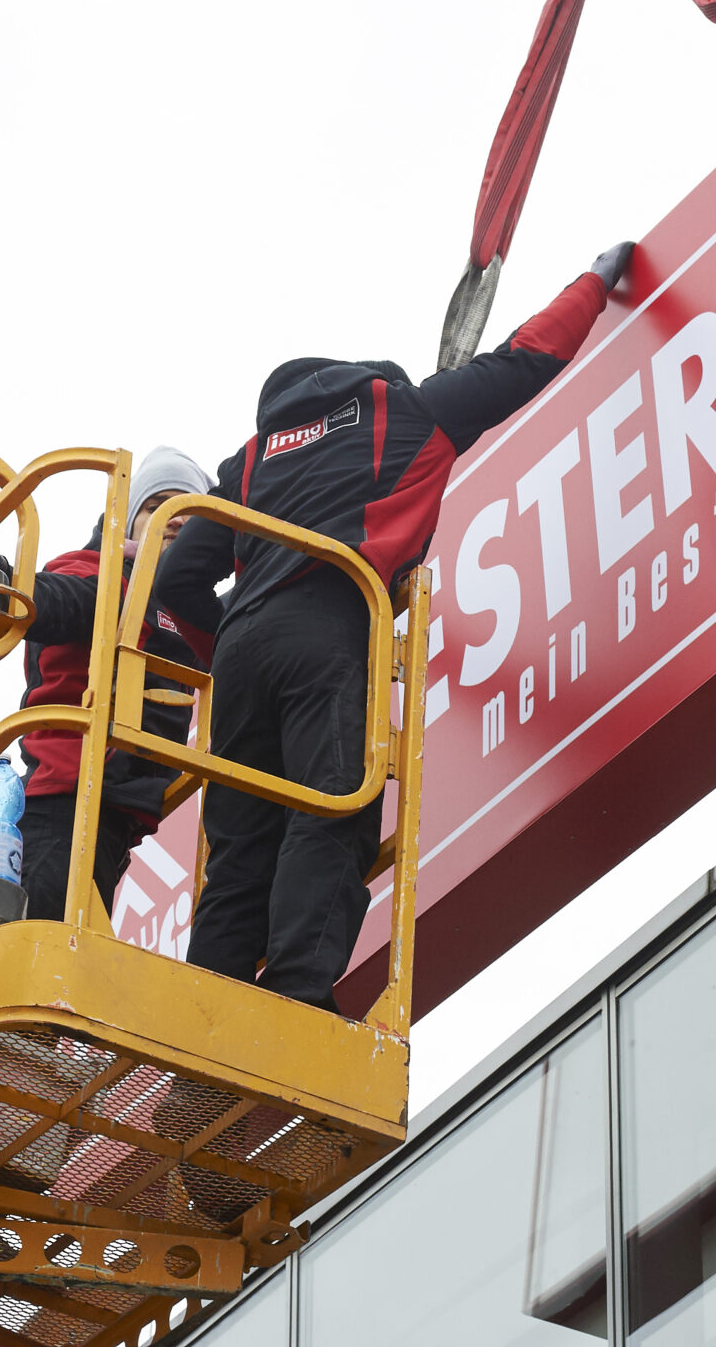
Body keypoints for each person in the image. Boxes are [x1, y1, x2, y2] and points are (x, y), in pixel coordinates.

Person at [155, 243, 634, 1009]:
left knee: (240, 851)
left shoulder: (248, 460)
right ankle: (298, 995)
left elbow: (175, 575)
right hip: (331, 627)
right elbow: (527, 358)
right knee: (333, 807)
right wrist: (596, 279)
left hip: (242, 653)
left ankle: (199, 1046)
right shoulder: (402, 411)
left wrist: (224, 653)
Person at [14, 446, 212, 924]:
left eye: (189, 511)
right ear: (127, 524)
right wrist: (10, 590)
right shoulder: (103, 574)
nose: (174, 520)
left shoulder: (190, 612)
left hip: (116, 815)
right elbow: (64, 599)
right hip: (65, 803)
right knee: (47, 948)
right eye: (156, 506)